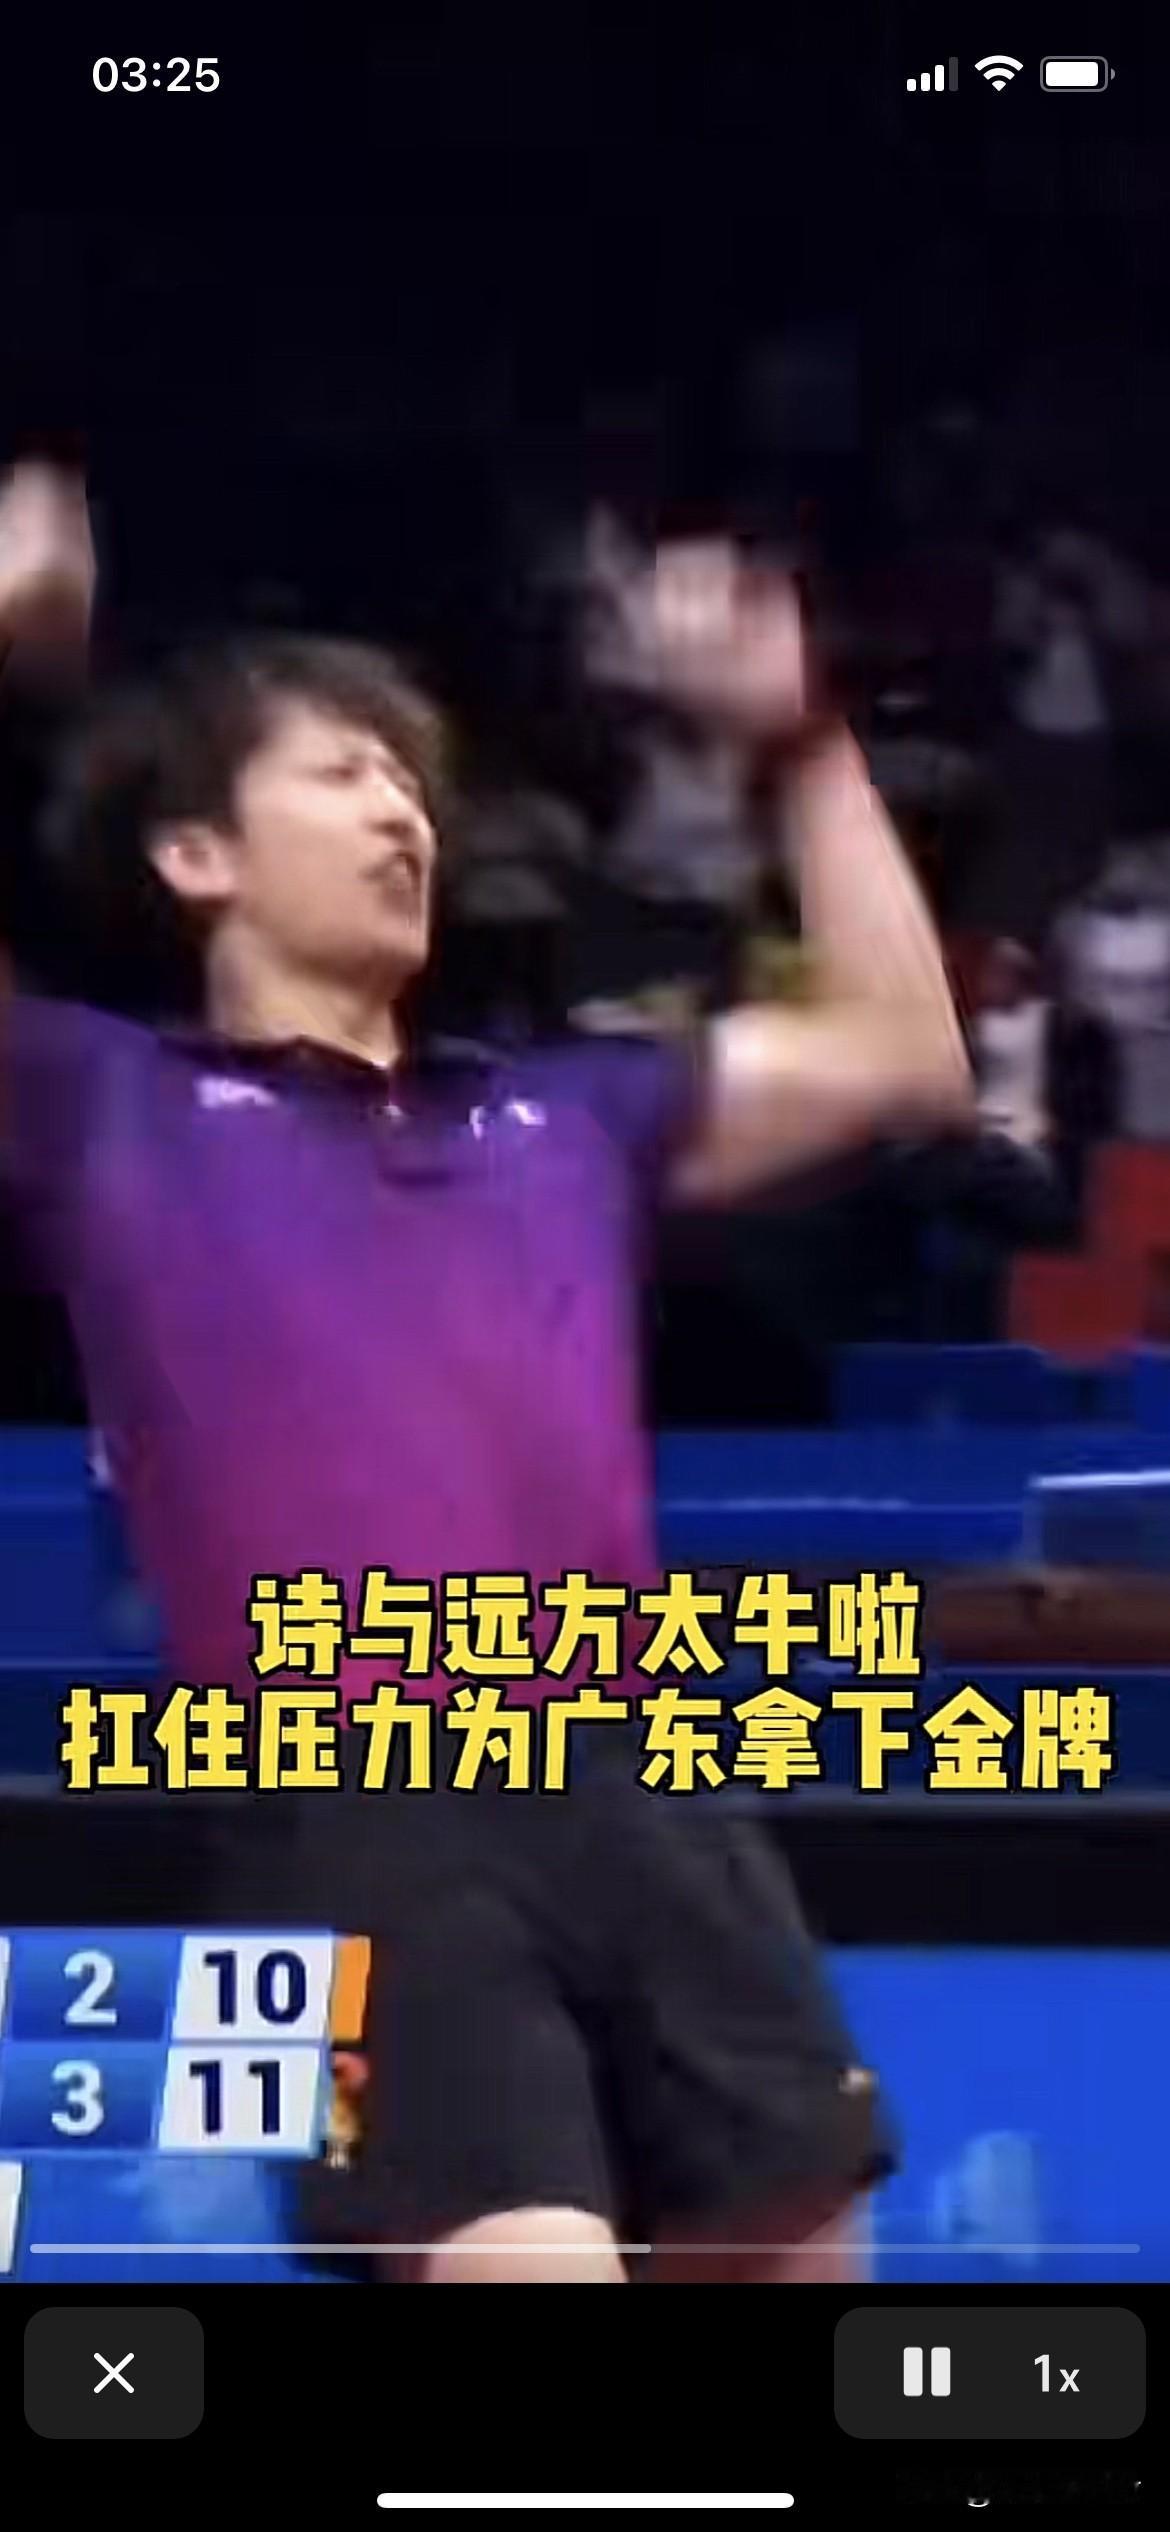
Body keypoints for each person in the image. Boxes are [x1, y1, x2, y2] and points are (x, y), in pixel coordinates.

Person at [0, 465, 971, 2284]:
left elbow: (905, 1051)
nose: (402, 811)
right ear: (198, 857)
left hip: (649, 1784)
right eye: (339, 772)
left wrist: (801, 743)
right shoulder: (95, 1104)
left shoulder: (569, 1111)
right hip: (339, 1806)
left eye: (410, 781)